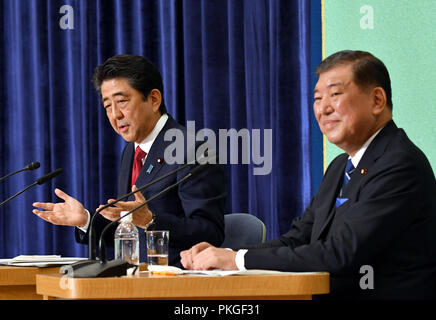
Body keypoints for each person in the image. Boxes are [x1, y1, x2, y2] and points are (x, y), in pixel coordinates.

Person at [180, 50, 436, 299]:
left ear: (377, 100)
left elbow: (339, 254)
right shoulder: (340, 167)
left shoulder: (399, 164)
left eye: (335, 94)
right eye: (317, 98)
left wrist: (236, 260)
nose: (323, 109)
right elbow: (298, 238)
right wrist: (225, 254)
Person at [33, 54, 227, 266]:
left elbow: (210, 232)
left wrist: (150, 220)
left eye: (122, 101)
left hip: (175, 282)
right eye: (108, 106)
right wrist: (85, 220)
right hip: (133, 281)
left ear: (153, 99)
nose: (115, 114)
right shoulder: (131, 152)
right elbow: (127, 229)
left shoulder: (192, 148)